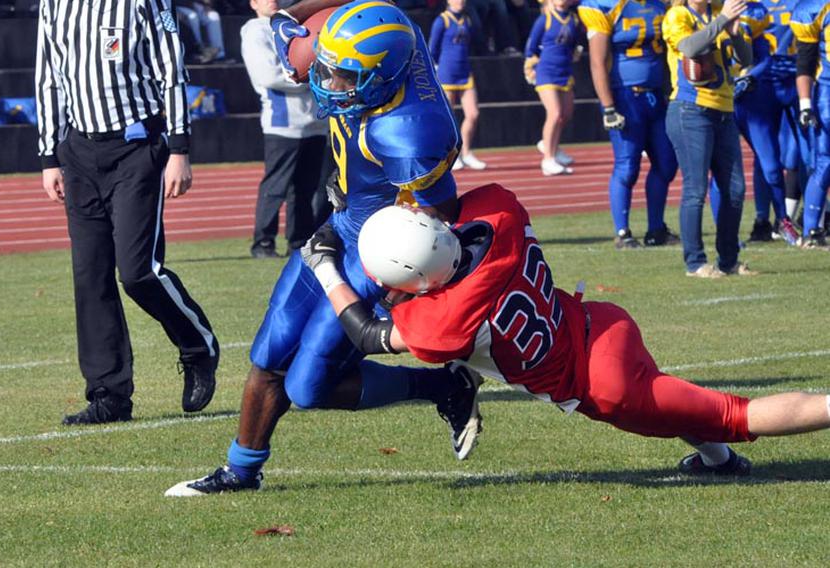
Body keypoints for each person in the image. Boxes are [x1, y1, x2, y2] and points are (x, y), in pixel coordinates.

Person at [165, 0, 481, 497]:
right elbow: (308, 43)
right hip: (338, 227)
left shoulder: (408, 131)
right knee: (269, 353)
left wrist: (402, 285)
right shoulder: (382, 39)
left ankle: (444, 386)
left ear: (380, 80)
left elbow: (438, 222)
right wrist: (283, 14)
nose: (326, 83)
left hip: (378, 252)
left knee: (309, 387)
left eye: (342, 78)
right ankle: (240, 471)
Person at [303, 184, 830, 475]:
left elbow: (369, 334)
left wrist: (325, 267)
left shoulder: (440, 322)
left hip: (601, 385)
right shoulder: (501, 211)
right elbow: (438, 209)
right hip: (599, 321)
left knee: (737, 413)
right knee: (676, 399)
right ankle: (719, 461)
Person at [35, 0, 220, 425]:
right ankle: (109, 394)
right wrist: (49, 156)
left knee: (138, 272)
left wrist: (179, 150)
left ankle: (197, 346)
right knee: (90, 275)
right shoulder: (53, 4)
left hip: (136, 146)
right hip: (79, 151)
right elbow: (48, 77)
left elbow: (170, 71)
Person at [663, 0, 756, 278]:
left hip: (725, 110)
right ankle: (695, 262)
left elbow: (746, 59)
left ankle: (728, 259)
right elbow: (690, 47)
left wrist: (735, 31)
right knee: (695, 188)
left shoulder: (720, 14)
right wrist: (722, 20)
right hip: (691, 109)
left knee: (735, 189)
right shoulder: (678, 14)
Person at [577, 0, 679, 250]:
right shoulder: (605, 5)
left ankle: (656, 229)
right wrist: (609, 106)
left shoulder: (660, 4)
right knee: (627, 166)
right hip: (624, 97)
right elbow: (598, 61)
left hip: (655, 94)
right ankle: (622, 232)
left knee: (666, 163)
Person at [241, 0, 331, 258]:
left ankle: (299, 241)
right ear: (253, 3)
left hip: (314, 121)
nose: (273, 1)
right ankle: (263, 243)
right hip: (283, 122)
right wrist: (309, 78)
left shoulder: (293, 26)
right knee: (276, 186)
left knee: (306, 189)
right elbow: (268, 75)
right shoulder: (255, 30)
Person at [728, 0, 800, 246]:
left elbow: (762, 56)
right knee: (721, 170)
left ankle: (787, 220)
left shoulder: (757, 11)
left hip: (761, 93)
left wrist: (749, 76)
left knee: (777, 162)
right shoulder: (697, 13)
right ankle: (730, 233)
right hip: (717, 97)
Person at [523, 0, 583, 176]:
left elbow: (575, 42)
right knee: (555, 113)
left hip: (565, 71)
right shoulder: (545, 19)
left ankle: (552, 148)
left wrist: (576, 52)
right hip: (546, 71)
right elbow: (531, 47)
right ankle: (547, 159)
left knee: (566, 114)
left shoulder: (574, 19)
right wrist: (530, 66)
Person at [429, 0, 487, 171]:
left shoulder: (467, 20)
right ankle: (450, 155)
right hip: (447, 73)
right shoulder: (442, 20)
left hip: (465, 73)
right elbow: (432, 49)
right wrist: (436, 70)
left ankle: (467, 152)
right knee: (449, 118)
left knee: (473, 114)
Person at [791, 0, 830, 248]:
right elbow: (805, 63)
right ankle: (811, 230)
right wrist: (805, 105)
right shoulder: (816, 9)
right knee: (826, 161)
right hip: (828, 91)